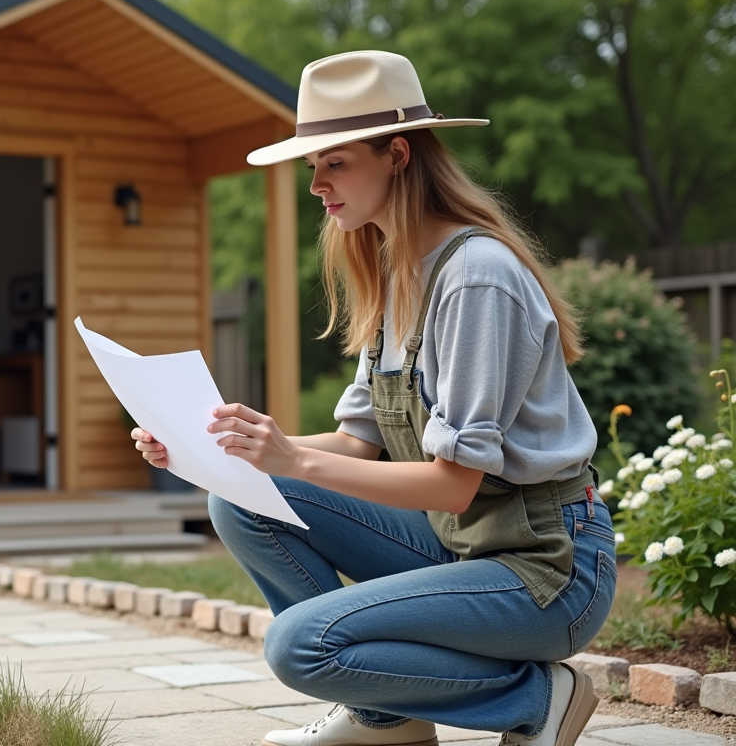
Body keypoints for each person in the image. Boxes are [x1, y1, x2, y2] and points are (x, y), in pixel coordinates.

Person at [130, 51, 616, 746]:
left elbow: (452, 485)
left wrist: (291, 458)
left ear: (396, 155)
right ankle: (389, 721)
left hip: (544, 568)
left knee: (301, 646)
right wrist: (210, 448)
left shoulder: (475, 277)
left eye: (335, 163)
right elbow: (358, 444)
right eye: (312, 167)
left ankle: (537, 698)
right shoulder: (396, 279)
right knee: (237, 498)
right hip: (465, 549)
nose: (317, 185)